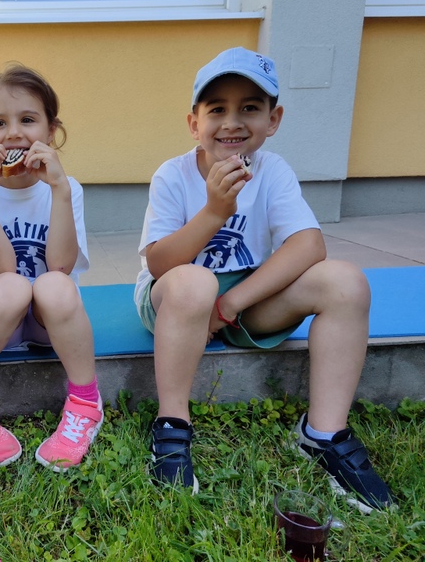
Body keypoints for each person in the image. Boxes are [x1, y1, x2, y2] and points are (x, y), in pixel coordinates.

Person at [135, 47, 393, 512]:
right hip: (176, 296)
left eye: (250, 108)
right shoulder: (172, 175)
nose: (232, 122)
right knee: (195, 282)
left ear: (273, 120)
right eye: (217, 109)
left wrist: (231, 304)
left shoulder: (273, 171)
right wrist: (215, 211)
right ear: (194, 123)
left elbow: (309, 245)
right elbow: (159, 264)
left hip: (244, 297)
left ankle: (323, 433)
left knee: (345, 282)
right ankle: (172, 423)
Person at [0, 64, 103, 472]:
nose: (13, 132)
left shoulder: (67, 189)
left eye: (28, 120)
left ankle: (85, 403)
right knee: (12, 284)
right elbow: (2, 268)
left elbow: (61, 265)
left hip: (49, 324)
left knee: (55, 284)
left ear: (52, 131)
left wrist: (60, 190)